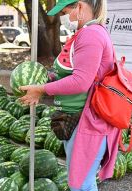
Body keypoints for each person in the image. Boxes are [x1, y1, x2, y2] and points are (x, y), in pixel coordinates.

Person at [19, 0, 120, 190]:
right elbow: (72, 72)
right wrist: (46, 79)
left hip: (87, 123)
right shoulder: (84, 33)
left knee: (81, 184)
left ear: (80, 7)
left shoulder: (91, 35)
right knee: (80, 182)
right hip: (76, 121)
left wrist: (41, 89)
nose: (63, 17)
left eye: (65, 11)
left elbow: (81, 81)